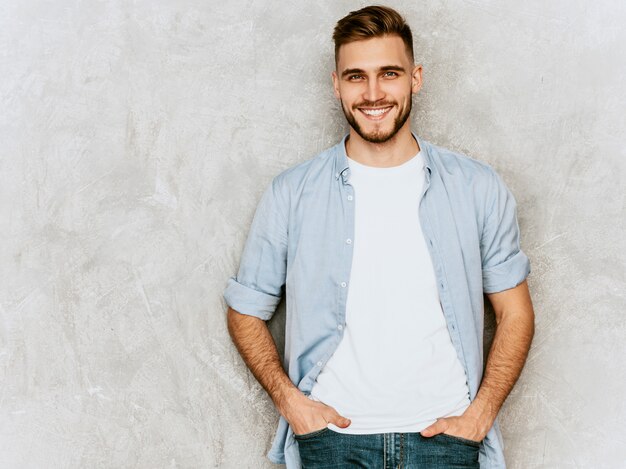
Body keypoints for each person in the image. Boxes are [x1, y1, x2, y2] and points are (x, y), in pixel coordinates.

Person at [223, 5, 534, 468]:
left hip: (446, 444)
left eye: (389, 73)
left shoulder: (476, 187)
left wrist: (480, 416)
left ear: (416, 78)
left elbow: (516, 314)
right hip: (331, 443)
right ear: (336, 84)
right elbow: (245, 311)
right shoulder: (292, 193)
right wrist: (293, 405)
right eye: (355, 77)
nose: (373, 93)